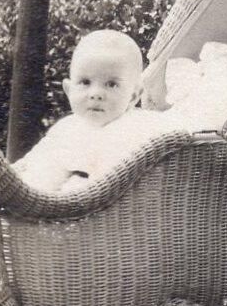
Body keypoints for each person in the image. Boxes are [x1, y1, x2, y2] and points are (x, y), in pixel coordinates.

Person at [14, 29, 164, 193]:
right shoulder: (65, 129)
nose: (96, 94)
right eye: (85, 82)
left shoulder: (135, 130)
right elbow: (38, 170)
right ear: (69, 90)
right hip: (54, 202)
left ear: (133, 96)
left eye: (112, 84)